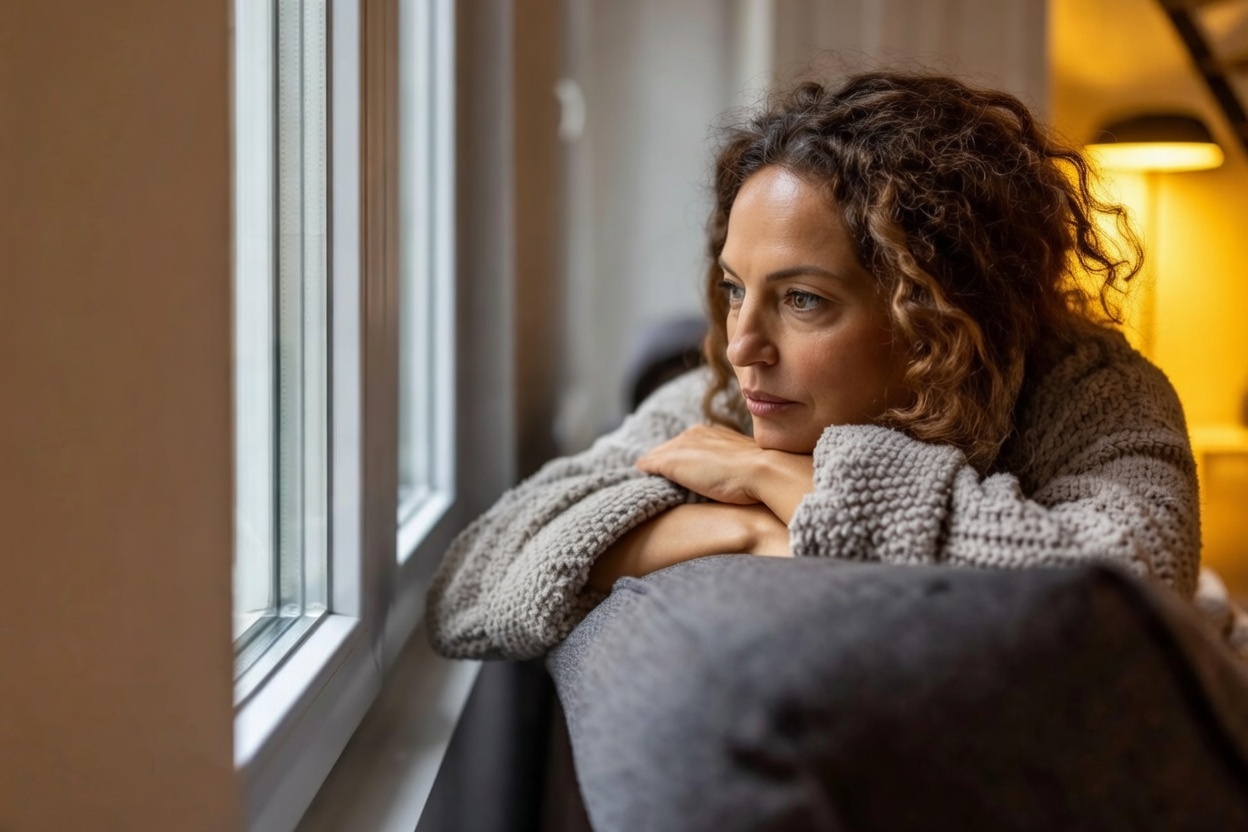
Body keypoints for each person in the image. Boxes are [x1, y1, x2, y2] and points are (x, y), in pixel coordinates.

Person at [424, 70, 1200, 663]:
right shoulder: (731, 399)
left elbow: (1128, 594)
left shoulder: (1092, 391)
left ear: (937, 312)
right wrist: (744, 529)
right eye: (735, 290)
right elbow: (465, 587)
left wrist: (788, 487)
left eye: (801, 299)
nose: (740, 345)